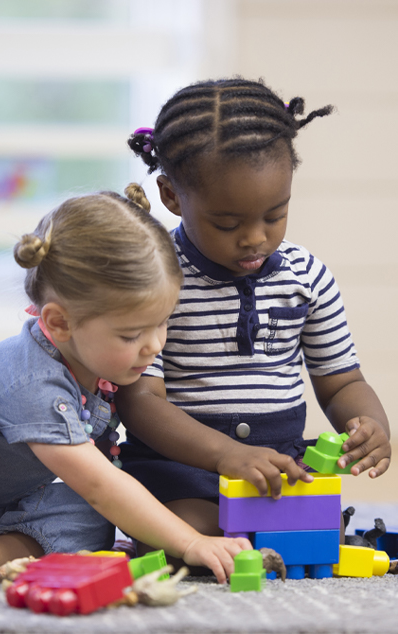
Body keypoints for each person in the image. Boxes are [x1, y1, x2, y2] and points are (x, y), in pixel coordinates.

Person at [0, 184, 251, 583]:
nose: (154, 346)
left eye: (162, 323)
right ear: (59, 323)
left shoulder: (94, 368)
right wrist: (192, 542)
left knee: (91, 514)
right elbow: (99, 481)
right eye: (131, 335)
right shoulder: (35, 379)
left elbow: (97, 490)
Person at [116, 78, 391, 551]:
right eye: (227, 223)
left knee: (317, 535)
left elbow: (341, 381)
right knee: (190, 531)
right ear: (172, 196)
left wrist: (369, 424)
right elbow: (140, 401)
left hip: (276, 467)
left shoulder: (308, 278)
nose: (255, 239)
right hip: (183, 468)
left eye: (275, 215)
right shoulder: (156, 281)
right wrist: (225, 456)